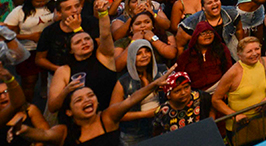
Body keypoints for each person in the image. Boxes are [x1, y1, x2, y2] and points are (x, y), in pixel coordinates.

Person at [12, 65, 173, 146]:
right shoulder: (64, 132)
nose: (87, 100)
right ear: (68, 112)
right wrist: (24, 130)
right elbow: (44, 136)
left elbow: (131, 100)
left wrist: (153, 85)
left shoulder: (108, 118)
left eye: (90, 96)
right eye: (79, 100)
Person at [47, 0, 118, 115]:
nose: (84, 43)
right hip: (79, 121)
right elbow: (52, 107)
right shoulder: (64, 71)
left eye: (87, 39)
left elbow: (105, 35)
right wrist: (67, 90)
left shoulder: (104, 57)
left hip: (108, 115)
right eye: (78, 42)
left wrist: (103, 13)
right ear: (70, 50)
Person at [211, 37, 266, 146]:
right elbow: (216, 100)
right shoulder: (232, 73)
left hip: (262, 120)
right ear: (239, 55)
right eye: (249, 51)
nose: (255, 53)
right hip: (240, 125)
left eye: (257, 49)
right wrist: (235, 115)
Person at [3, 0, 54, 103]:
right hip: (28, 50)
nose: (42, 3)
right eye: (38, 1)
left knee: (48, 75)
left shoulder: (53, 5)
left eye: (45, 0)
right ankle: (26, 104)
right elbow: (7, 33)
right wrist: (29, 36)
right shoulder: (19, 12)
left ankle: (44, 88)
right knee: (29, 81)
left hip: (48, 48)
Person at [110, 39, 166, 146]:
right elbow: (115, 114)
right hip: (134, 132)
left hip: (162, 124)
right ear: (131, 57)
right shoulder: (123, 82)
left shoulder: (162, 70)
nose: (144, 55)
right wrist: (146, 114)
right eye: (139, 53)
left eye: (147, 51)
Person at [150, 71, 214, 137]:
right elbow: (156, 132)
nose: (183, 93)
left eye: (186, 87)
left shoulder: (201, 97)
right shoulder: (163, 111)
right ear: (168, 95)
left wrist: (209, 126)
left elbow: (212, 109)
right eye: (177, 91)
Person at [174, 21, 232, 92]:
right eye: (203, 33)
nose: (207, 35)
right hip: (195, 91)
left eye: (210, 32)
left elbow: (228, 69)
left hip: (219, 86)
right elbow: (179, 74)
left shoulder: (221, 48)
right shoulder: (187, 54)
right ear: (196, 36)